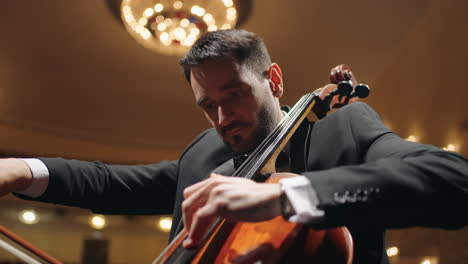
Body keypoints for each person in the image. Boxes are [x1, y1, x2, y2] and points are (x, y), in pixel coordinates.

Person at [0, 29, 467, 264]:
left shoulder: (341, 130)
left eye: (235, 96)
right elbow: (113, 182)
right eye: (208, 105)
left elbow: (453, 181)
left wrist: (289, 195)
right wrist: (23, 168)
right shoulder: (204, 156)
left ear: (274, 79)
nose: (223, 120)